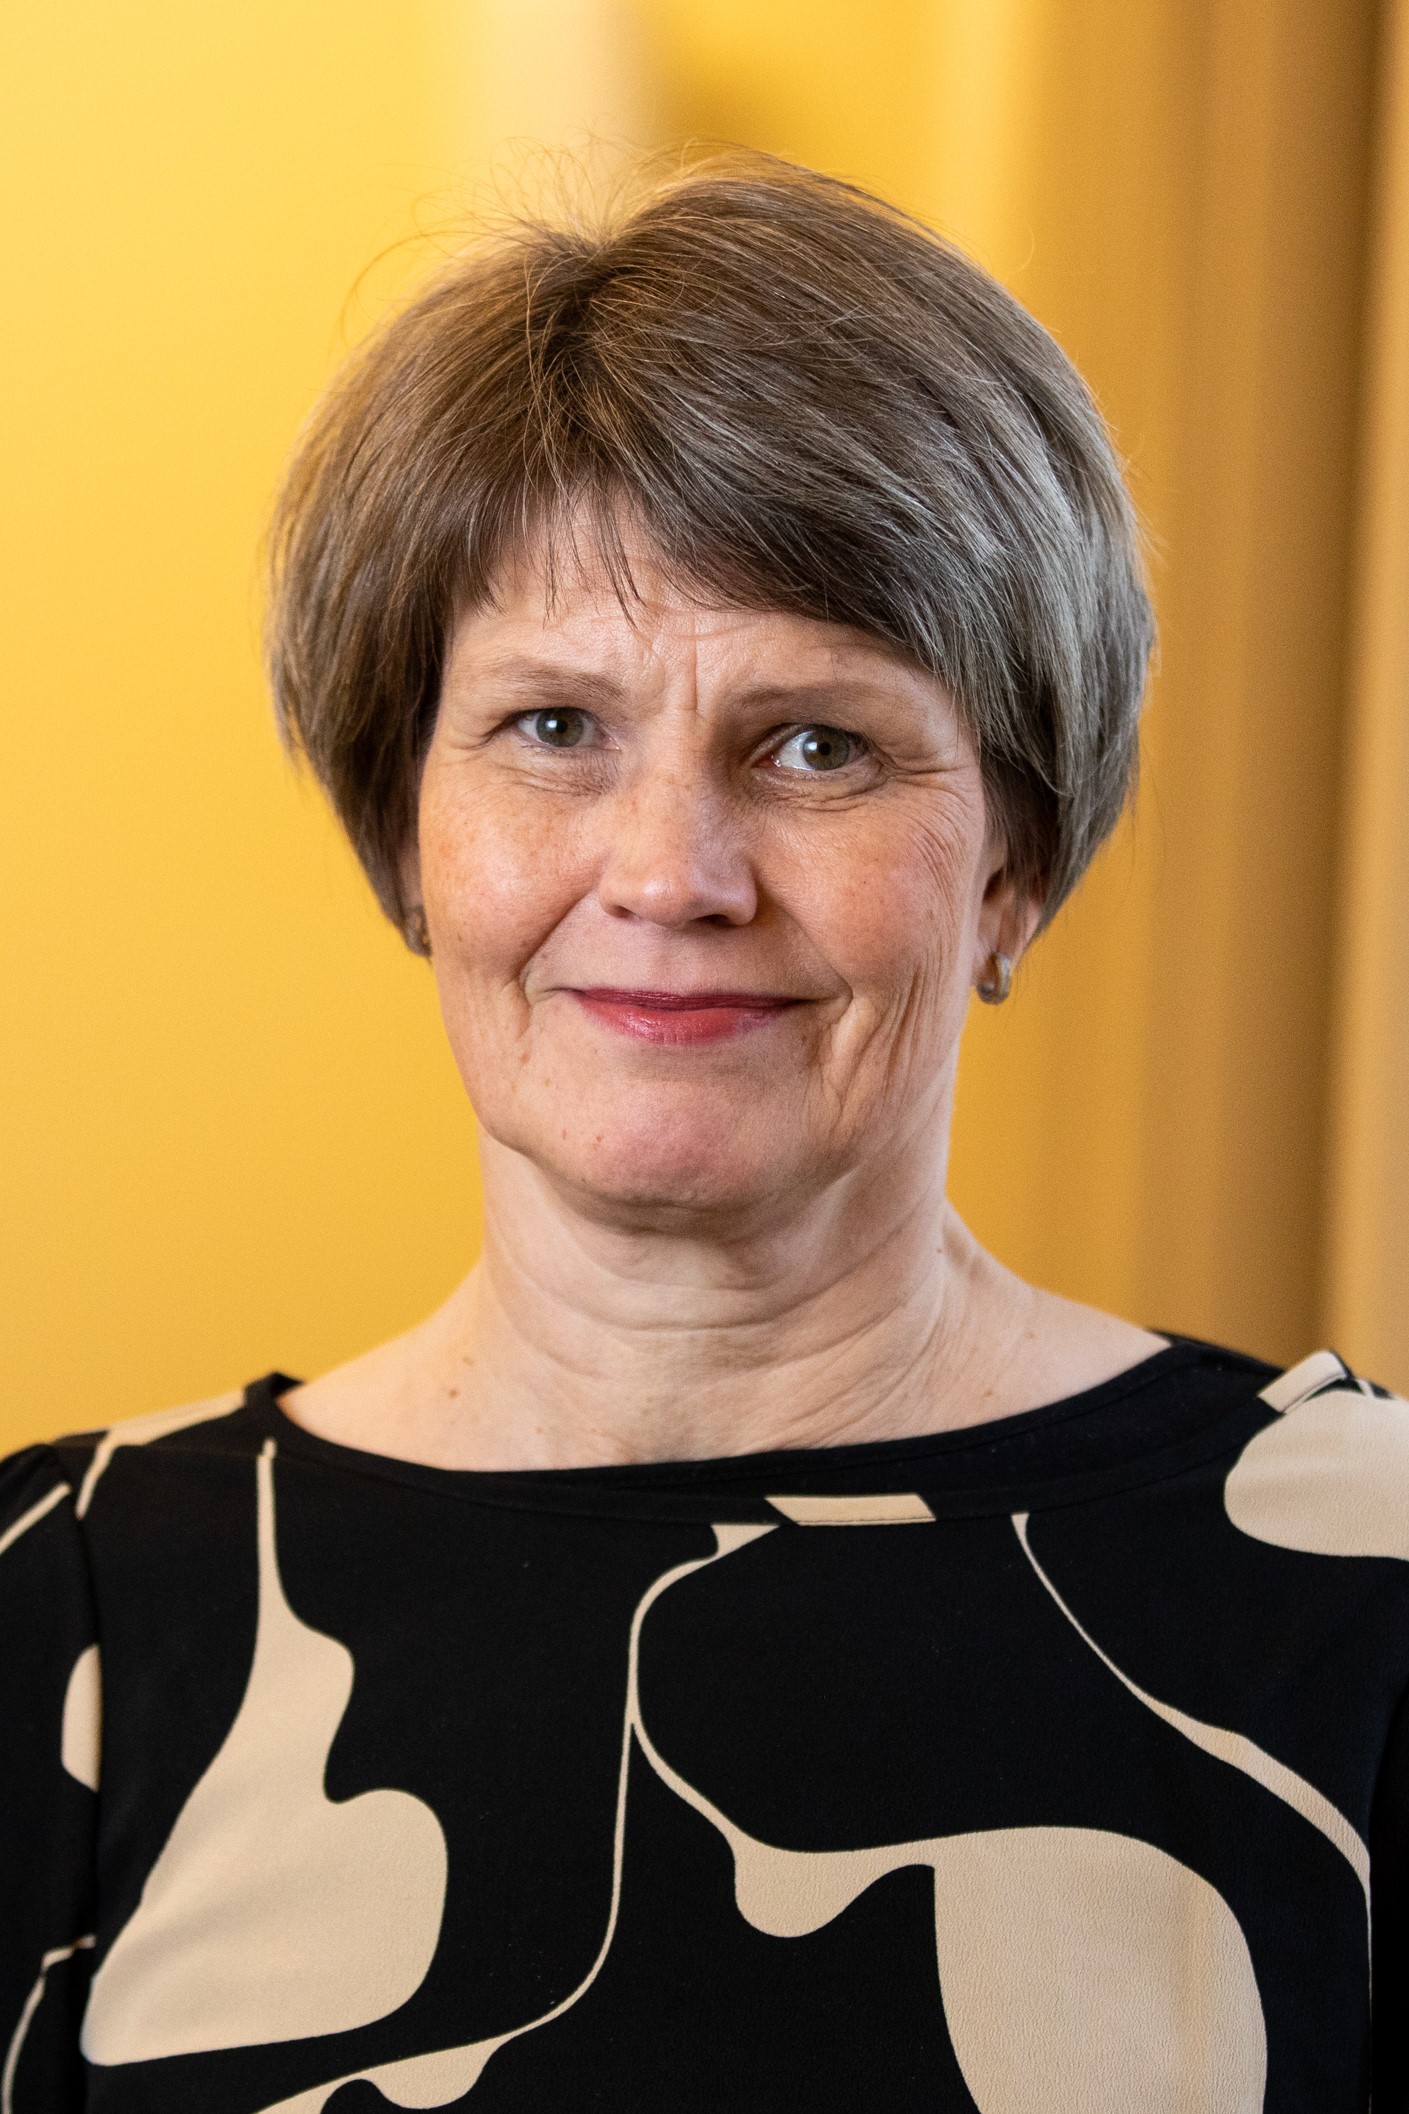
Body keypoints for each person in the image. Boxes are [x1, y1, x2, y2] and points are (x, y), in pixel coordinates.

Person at [2, 153, 1404, 2113]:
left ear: (1011, 865)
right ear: (407, 832)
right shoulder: (58, 1612)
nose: (671, 873)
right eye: (554, 729)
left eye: (817, 743)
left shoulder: (1367, 1580)